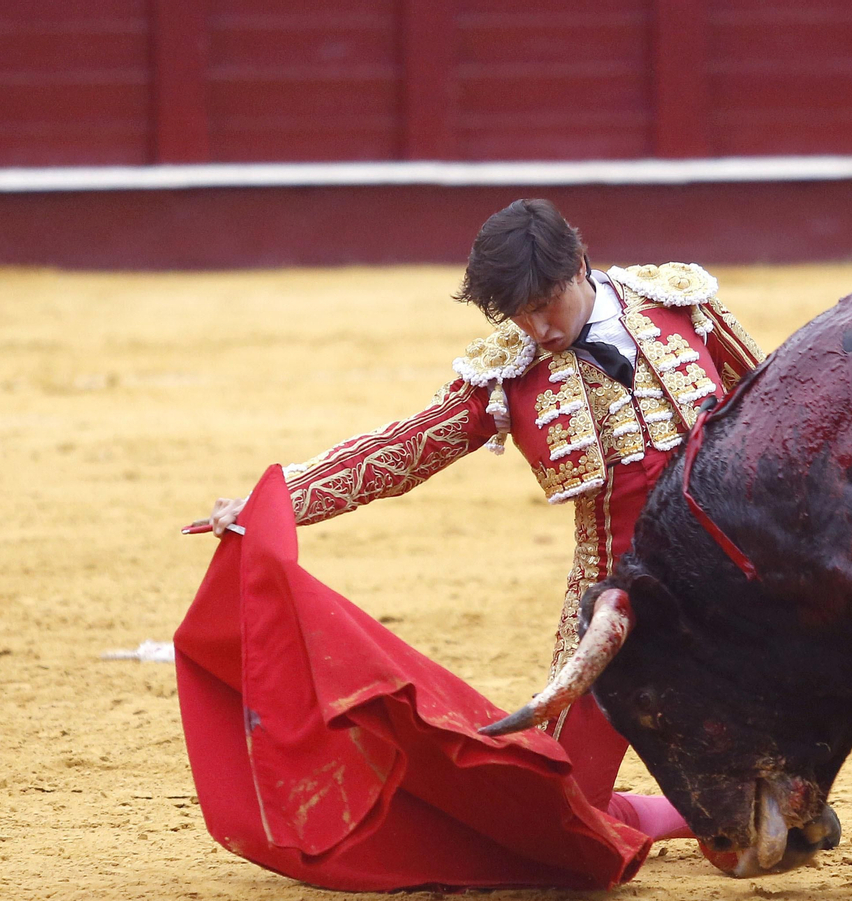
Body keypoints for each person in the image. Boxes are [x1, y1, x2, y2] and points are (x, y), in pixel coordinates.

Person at [201, 198, 763, 843]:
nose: (537, 328)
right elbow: (404, 451)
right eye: (517, 314)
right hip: (616, 594)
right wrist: (276, 502)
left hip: (735, 564)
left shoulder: (680, 303)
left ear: (579, 266)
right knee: (564, 812)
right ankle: (663, 815)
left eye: (544, 303)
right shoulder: (505, 374)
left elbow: (776, 400)